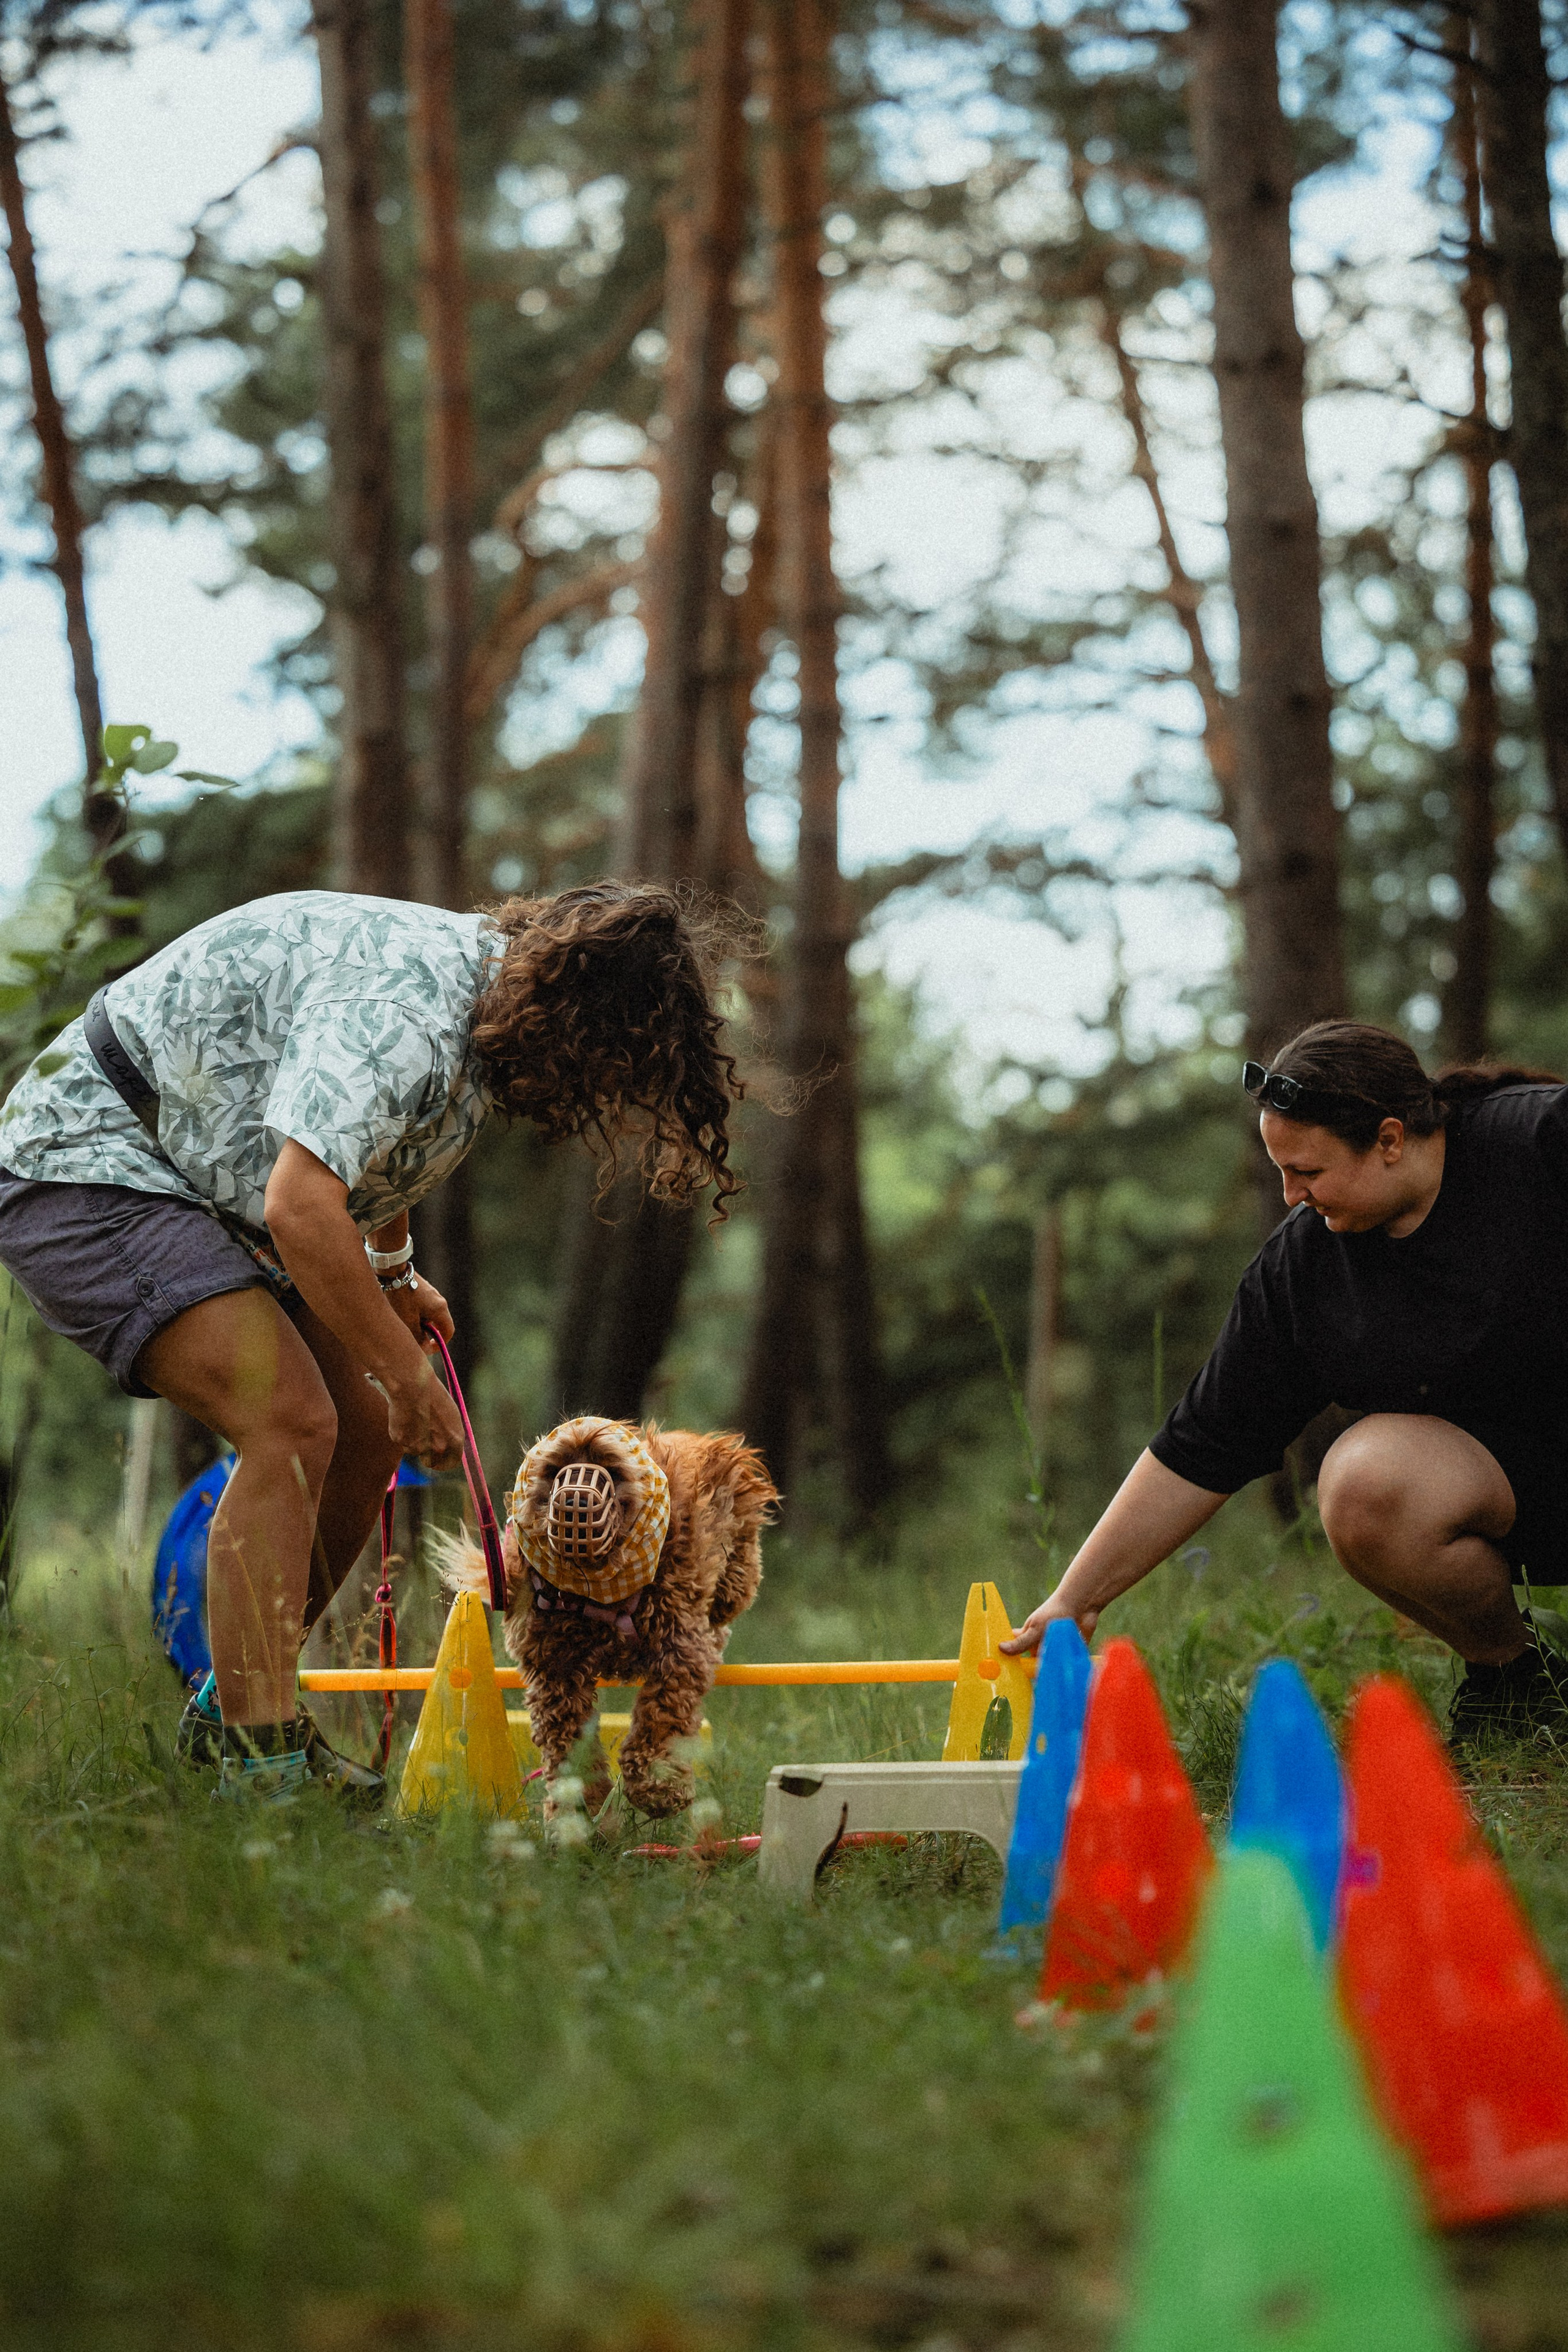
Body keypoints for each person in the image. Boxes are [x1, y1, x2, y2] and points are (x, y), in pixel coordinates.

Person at [0, 882, 742, 1797]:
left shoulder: (479, 1008)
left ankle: (231, 1716)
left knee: (363, 1434)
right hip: (89, 1163)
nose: (589, 1093)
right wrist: (408, 1374)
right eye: (603, 1066)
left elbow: (372, 1155)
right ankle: (259, 1753)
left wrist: (393, 1272)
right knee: (292, 1421)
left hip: (205, 1190)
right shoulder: (407, 1013)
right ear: (574, 1016)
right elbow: (300, 1204)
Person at [1003, 1019, 1568, 1746]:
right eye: (1279, 1171)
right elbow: (1205, 1442)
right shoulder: (1304, 1271)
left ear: (1389, 1140)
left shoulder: (1541, 1142)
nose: (1291, 1196)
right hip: (1520, 1494)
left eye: (1308, 1171)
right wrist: (1074, 1600)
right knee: (1364, 1481)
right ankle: (1520, 1686)